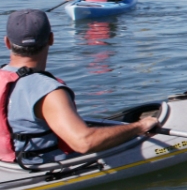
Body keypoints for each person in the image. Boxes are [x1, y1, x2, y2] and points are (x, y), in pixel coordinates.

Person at [1, 10, 158, 165]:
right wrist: (139, 127)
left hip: (8, 164)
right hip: (42, 167)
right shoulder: (48, 91)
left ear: (7, 42)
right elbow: (84, 143)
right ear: (51, 39)